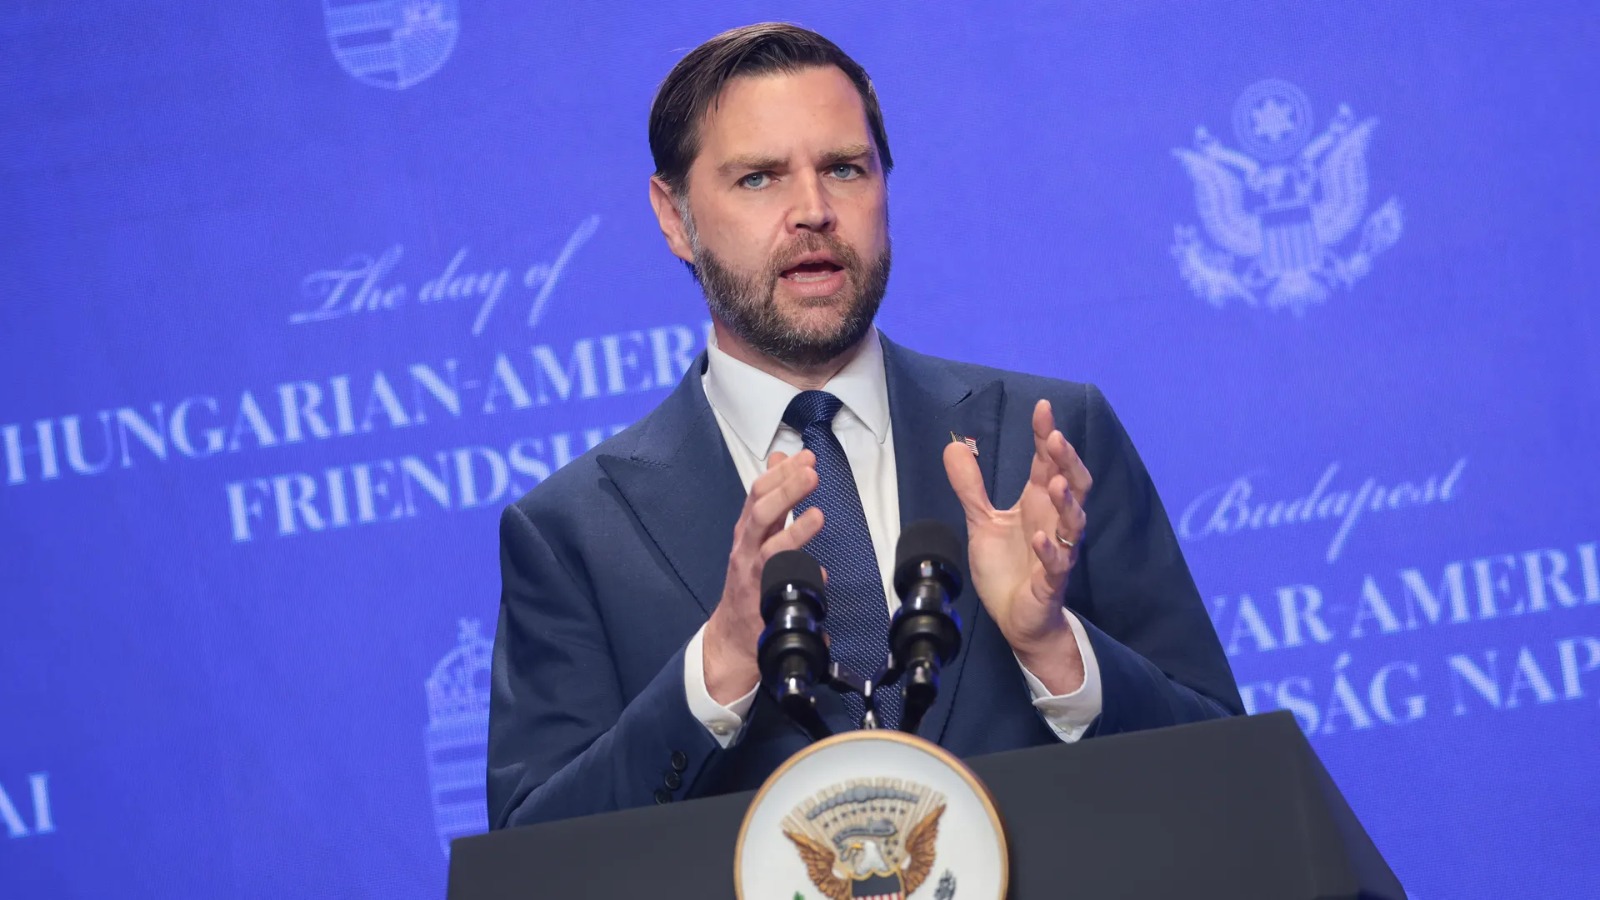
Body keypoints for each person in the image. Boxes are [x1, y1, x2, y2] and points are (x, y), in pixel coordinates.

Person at [487, 22, 1242, 830]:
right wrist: (715, 668)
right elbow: (536, 861)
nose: (813, 212)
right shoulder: (574, 532)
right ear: (674, 217)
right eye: (759, 178)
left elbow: (1235, 782)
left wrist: (1056, 652)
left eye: (845, 168)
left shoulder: (1046, 441)